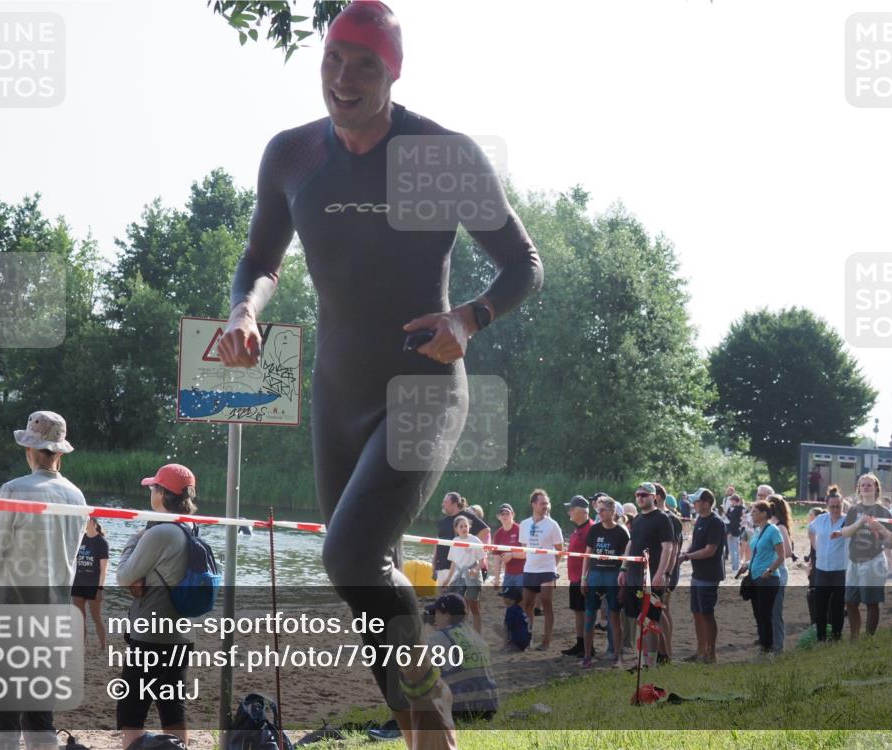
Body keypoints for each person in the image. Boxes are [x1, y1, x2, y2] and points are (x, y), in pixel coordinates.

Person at [216, 3, 542, 742]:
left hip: (425, 385)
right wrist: (244, 311)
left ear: (393, 73)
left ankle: (435, 718)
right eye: (334, 58)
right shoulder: (293, 155)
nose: (344, 77)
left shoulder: (442, 154)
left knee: (351, 554)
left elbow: (523, 263)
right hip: (338, 392)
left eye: (365, 63)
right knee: (363, 580)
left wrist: (469, 319)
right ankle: (424, 727)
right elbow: (260, 259)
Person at [0, 411, 87, 750]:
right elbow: (63, 554)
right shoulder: (77, 496)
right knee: (40, 717)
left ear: (29, 449)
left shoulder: (14, 489)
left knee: (3, 715)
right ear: (59, 453)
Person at [115, 463, 199, 750]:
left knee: (131, 711)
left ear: (163, 493)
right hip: (181, 634)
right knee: (172, 708)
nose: (150, 491)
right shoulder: (190, 526)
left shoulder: (158, 532)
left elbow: (123, 575)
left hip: (151, 635)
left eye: (153, 487)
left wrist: (134, 539)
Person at [618, 482, 674, 669]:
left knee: (652, 620)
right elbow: (631, 544)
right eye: (638, 495)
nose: (640, 498)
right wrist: (623, 568)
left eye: (644, 495)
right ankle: (654, 659)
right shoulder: (637, 519)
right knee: (641, 620)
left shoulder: (662, 518)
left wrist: (660, 573)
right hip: (634, 576)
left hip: (652, 577)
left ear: (654, 497)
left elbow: (668, 547)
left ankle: (650, 664)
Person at [834, 473, 892, 639]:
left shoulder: (884, 511)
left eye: (869, 485)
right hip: (854, 561)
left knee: (871, 602)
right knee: (850, 601)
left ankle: (869, 638)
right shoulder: (854, 510)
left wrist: (879, 527)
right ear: (859, 489)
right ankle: (855, 637)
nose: (866, 487)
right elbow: (844, 533)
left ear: (876, 488)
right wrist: (860, 522)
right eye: (863, 485)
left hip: (874, 561)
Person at [424, 593, 499, 722]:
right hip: (489, 707)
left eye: (436, 613)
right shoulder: (475, 636)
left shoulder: (439, 637)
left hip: (462, 710)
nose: (434, 618)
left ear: (447, 615)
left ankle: (397, 725)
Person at [677, 489, 725, 663]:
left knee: (707, 614)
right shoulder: (700, 520)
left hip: (709, 575)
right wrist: (685, 553)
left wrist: (687, 557)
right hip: (697, 574)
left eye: (696, 501)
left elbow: (710, 550)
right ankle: (700, 652)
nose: (693, 504)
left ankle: (710, 655)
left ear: (706, 503)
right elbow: (696, 544)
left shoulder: (716, 522)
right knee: (697, 613)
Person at [582, 497, 629, 669]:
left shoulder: (622, 532)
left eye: (603, 510)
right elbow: (587, 555)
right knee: (589, 616)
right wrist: (583, 578)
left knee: (614, 617)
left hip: (613, 576)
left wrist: (623, 584)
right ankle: (587, 656)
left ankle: (617, 656)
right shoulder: (594, 529)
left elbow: (626, 559)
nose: (600, 513)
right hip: (595, 575)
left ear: (612, 511)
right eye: (598, 510)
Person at [519, 489, 564, 651]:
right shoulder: (524, 524)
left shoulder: (552, 525)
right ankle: (528, 638)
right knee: (527, 605)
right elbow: (524, 547)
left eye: (547, 503)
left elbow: (560, 549)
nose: (545, 506)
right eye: (542, 503)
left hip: (547, 570)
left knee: (546, 603)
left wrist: (553, 568)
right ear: (533, 504)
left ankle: (546, 641)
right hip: (530, 569)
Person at [738, 500, 784, 654]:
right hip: (755, 577)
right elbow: (758, 554)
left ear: (764, 514)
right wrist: (747, 565)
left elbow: (781, 555)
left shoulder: (773, 530)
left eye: (754, 512)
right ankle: (763, 646)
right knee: (758, 614)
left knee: (765, 615)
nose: (751, 514)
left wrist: (770, 570)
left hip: (768, 579)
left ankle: (767, 649)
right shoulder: (757, 531)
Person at [808, 486, 847, 641]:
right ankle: (821, 637)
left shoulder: (848, 521)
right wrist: (814, 545)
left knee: (837, 606)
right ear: (827, 506)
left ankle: (837, 637)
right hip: (822, 570)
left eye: (838, 506)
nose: (835, 510)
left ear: (843, 505)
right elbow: (810, 530)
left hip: (840, 570)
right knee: (820, 605)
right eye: (832, 507)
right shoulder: (820, 519)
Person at [561, 495, 594, 657]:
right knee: (578, 611)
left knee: (587, 612)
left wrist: (585, 578)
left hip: (584, 578)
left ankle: (588, 646)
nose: (569, 512)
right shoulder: (578, 528)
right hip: (575, 577)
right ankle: (580, 643)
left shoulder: (591, 528)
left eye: (571, 509)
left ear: (581, 511)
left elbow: (592, 556)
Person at [440, 515, 485, 633]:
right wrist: (448, 579)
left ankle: (478, 633)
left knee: (474, 606)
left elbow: (482, 561)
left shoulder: (474, 540)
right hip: (460, 577)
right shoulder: (455, 541)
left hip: (473, 576)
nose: (464, 528)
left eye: (466, 526)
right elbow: (454, 563)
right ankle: (460, 631)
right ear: (456, 528)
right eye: (461, 526)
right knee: (460, 606)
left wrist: (475, 570)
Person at [433, 492, 489, 583]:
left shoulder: (466, 517)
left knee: (456, 591)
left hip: (458, 567)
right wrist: (434, 563)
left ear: (454, 504)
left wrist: (470, 543)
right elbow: (437, 543)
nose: (442, 504)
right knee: (441, 591)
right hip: (441, 566)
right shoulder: (442, 522)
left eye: (445, 502)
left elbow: (486, 530)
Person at [71, 518, 110, 649]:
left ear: (92, 522)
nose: (82, 523)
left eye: (85, 520)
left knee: (96, 618)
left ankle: (103, 646)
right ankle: (81, 645)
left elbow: (104, 569)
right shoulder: (80, 538)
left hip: (93, 585)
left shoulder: (101, 542)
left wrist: (100, 589)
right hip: (78, 583)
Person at [655, 483, 683, 664]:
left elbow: (674, 549)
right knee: (660, 609)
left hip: (666, 572)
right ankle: (662, 648)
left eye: (646, 495)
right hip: (655, 570)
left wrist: (667, 573)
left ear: (657, 496)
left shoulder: (671, 519)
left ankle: (667, 650)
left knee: (663, 609)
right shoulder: (653, 516)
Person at [768, 494, 793, 653]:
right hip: (770, 573)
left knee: (776, 612)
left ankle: (778, 646)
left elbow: (788, 551)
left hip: (778, 573)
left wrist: (771, 557)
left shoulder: (780, 527)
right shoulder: (770, 526)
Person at [490, 504, 524, 591]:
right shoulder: (498, 534)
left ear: (513, 514)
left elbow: (528, 554)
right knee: (507, 597)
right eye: (502, 514)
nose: (505, 516)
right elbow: (497, 559)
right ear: (498, 517)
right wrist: (496, 579)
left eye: (507, 513)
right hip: (508, 573)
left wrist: (512, 555)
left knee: (522, 598)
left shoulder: (520, 530)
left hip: (523, 572)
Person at [495, 586, 530, 652]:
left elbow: (506, 628)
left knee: (499, 627)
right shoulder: (519, 609)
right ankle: (514, 644)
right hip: (526, 642)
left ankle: (508, 645)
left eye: (505, 597)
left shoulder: (510, 610)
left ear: (512, 600)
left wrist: (505, 646)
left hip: (518, 642)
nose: (503, 598)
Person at [467, 504, 490, 582]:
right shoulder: (466, 530)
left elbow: (486, 549)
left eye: (472, 515)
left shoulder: (484, 530)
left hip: (480, 565)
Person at [725, 494, 745, 573]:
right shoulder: (732, 508)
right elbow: (731, 518)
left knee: (734, 550)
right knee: (731, 550)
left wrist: (730, 531)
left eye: (732, 500)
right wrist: (727, 513)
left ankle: (735, 567)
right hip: (731, 530)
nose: (731, 502)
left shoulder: (739, 508)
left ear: (736, 501)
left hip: (735, 530)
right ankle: (734, 566)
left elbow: (735, 521)